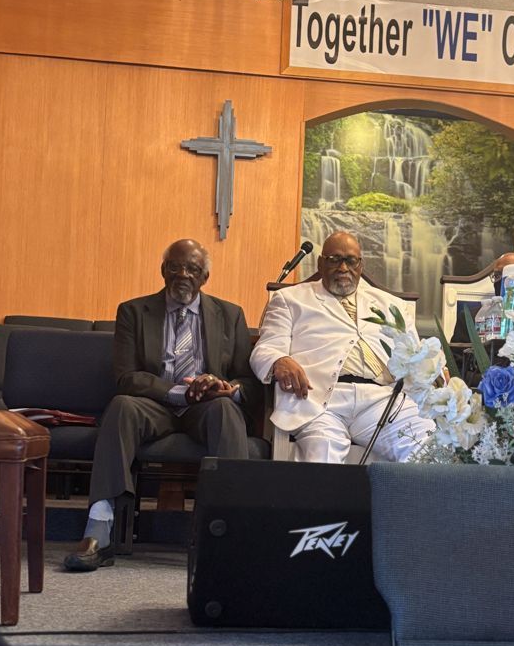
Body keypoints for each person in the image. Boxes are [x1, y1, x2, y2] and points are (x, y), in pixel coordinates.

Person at [63, 238, 259, 571]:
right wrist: (177, 392)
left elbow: (249, 381)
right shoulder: (134, 311)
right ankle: (99, 527)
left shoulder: (230, 315)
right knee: (121, 405)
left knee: (227, 410)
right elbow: (126, 376)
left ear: (205, 277)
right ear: (163, 270)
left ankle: (229, 529)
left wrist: (228, 388)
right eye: (176, 266)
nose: (183, 274)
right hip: (156, 404)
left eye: (193, 269)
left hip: (208, 407)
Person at [250, 231, 433, 463]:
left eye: (351, 261)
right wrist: (278, 360)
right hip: (320, 402)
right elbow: (264, 349)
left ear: (361, 265)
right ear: (320, 263)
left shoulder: (391, 305)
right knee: (323, 453)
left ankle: (397, 500)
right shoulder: (290, 299)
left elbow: (415, 357)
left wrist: (433, 375)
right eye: (334, 260)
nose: (343, 268)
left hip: (382, 399)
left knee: (427, 446)